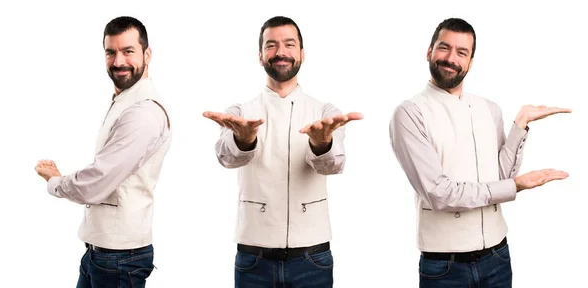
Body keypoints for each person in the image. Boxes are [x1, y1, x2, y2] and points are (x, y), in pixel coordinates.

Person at [389, 17, 570, 287]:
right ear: (429, 51)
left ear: (471, 62)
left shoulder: (489, 108)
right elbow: (439, 194)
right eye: (444, 48)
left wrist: (520, 125)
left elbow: (499, 177)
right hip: (445, 266)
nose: (451, 58)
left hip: (498, 256)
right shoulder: (410, 113)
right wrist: (516, 186)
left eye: (462, 52)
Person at [203, 16, 363, 288]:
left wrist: (322, 143)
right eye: (271, 45)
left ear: (302, 54)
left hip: (312, 257)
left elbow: (333, 165)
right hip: (254, 258)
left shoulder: (326, 113)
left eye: (289, 44)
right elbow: (225, 158)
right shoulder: (240, 112)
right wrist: (243, 140)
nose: (280, 52)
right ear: (260, 55)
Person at [35, 16, 171, 288]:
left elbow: (98, 180)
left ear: (147, 54)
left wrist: (54, 181)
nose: (118, 61)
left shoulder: (142, 112)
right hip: (102, 253)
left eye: (128, 51)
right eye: (111, 52)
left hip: (119, 259)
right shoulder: (125, 101)